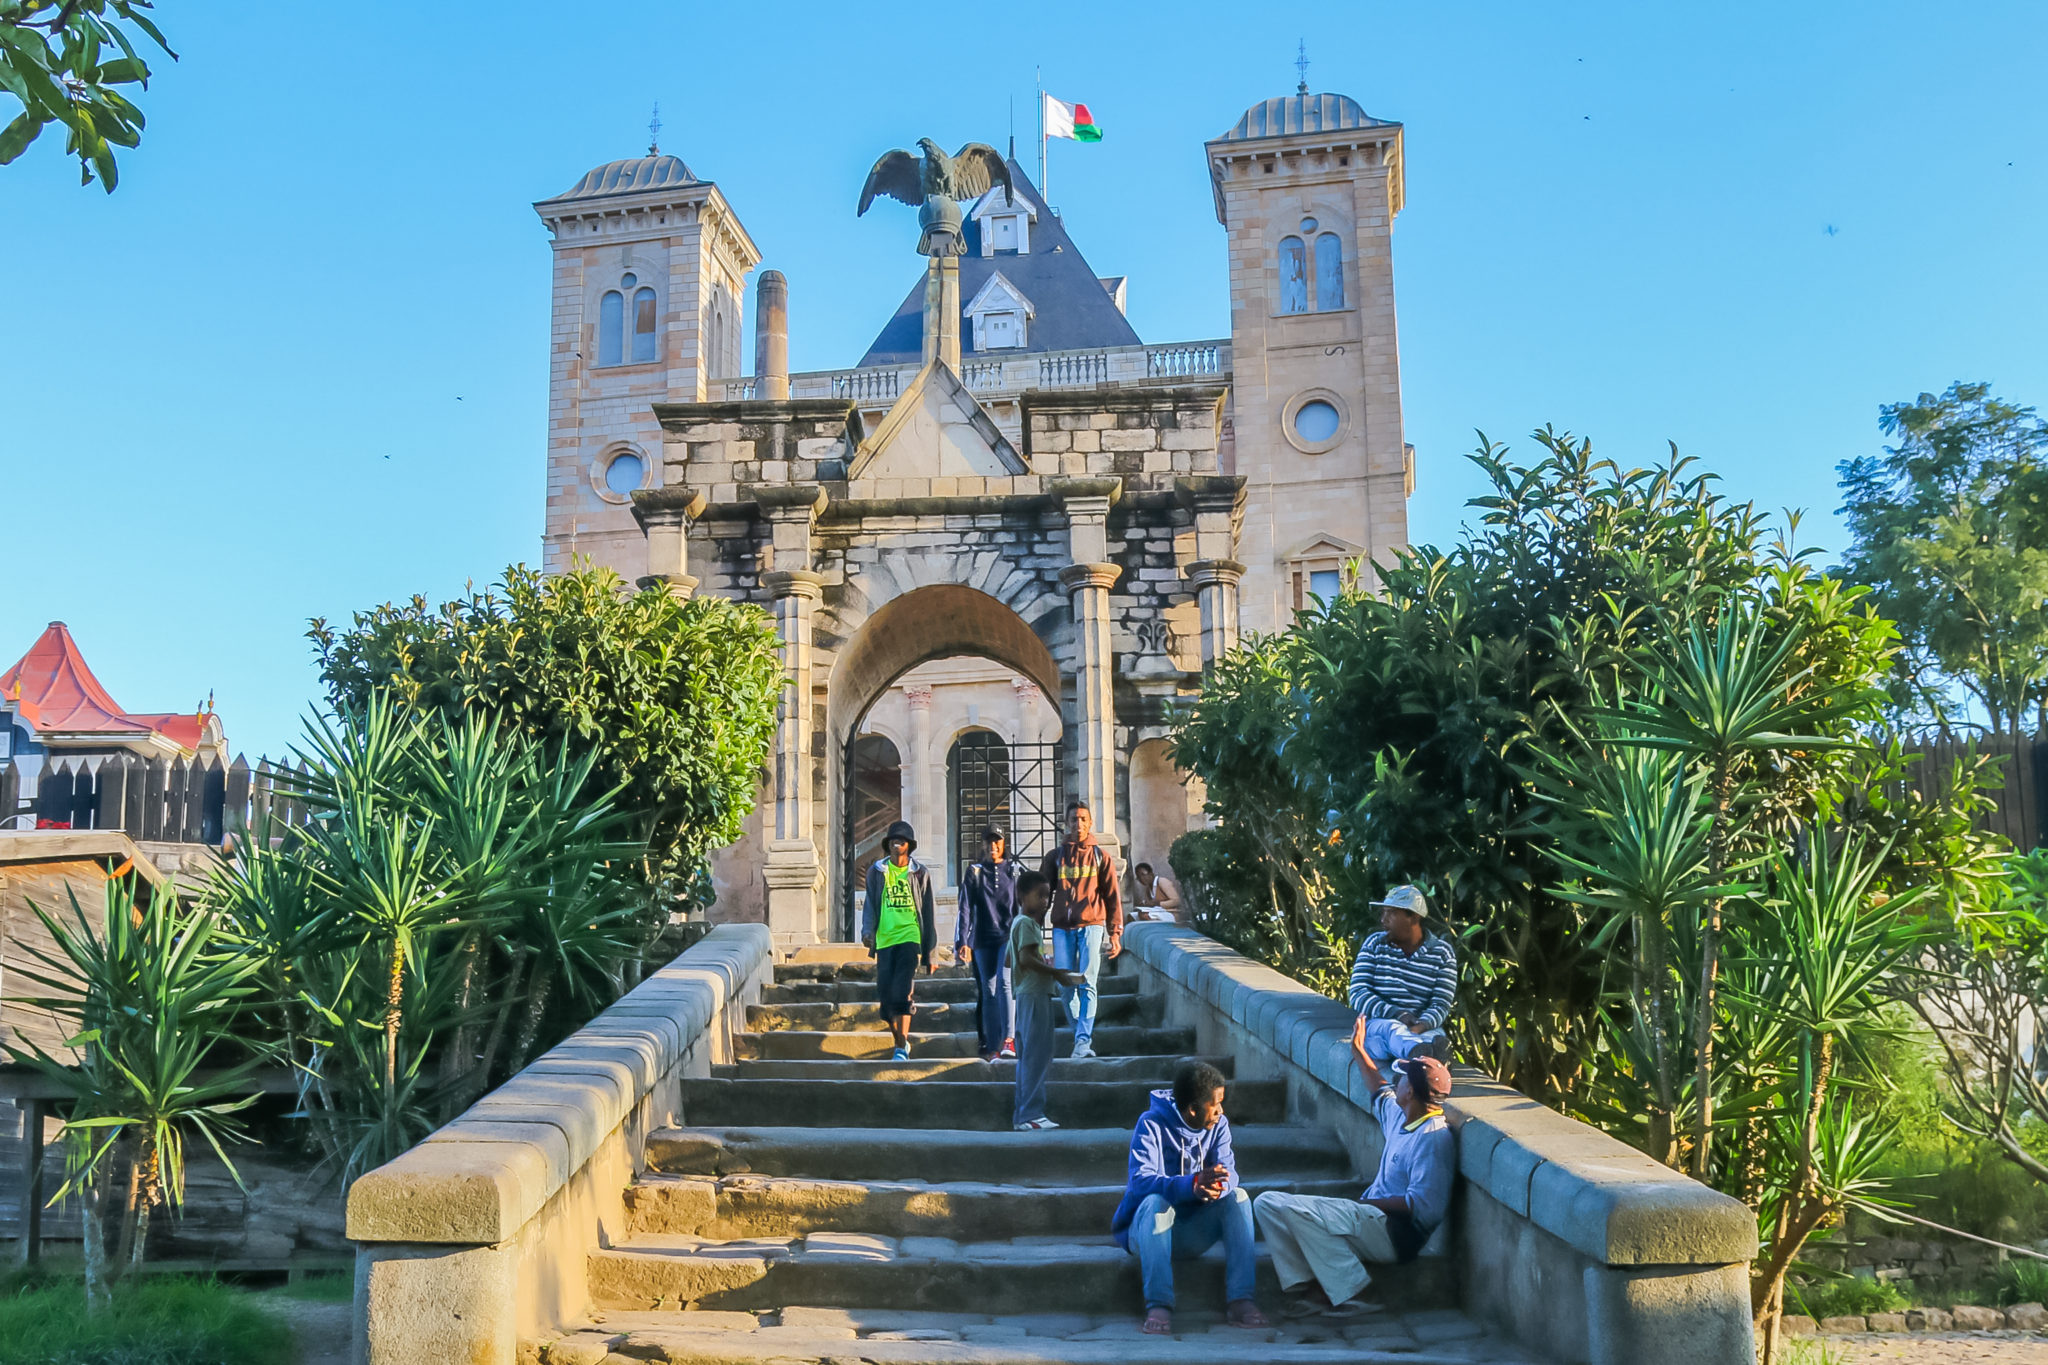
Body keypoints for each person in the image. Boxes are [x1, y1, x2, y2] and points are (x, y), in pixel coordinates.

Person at [1254, 1017, 1454, 1318]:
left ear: (1410, 1092)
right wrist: (1359, 1051)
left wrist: (1364, 1204)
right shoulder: (1403, 1116)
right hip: (1369, 1216)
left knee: (1300, 1211)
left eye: (1401, 1078)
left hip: (1395, 1232)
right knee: (1266, 1202)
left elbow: (1425, 1208)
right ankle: (1307, 1285)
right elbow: (1379, 1089)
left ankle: (1357, 1292)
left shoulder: (1434, 1138)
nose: (1395, 1082)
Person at [1111, 1061, 1269, 1335]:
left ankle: (1241, 1299)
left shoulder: (1219, 1125)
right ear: (1193, 1109)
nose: (1221, 1111)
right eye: (1215, 1104)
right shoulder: (1150, 1124)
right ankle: (1158, 1304)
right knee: (1154, 1203)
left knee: (1239, 1197)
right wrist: (1192, 1185)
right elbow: (1140, 1183)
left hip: (1192, 1232)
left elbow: (1230, 1171)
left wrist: (1219, 1187)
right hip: (1148, 1233)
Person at [1041, 800, 1122, 1060]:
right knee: (1066, 985)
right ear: (1067, 823)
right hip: (1063, 928)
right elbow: (1043, 894)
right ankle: (1080, 1035)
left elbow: (1112, 897)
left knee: (1088, 983)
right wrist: (1033, 927)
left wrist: (1115, 932)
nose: (1079, 824)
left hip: (1092, 925)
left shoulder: (1101, 857)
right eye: (1074, 819)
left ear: (1090, 823)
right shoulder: (1055, 857)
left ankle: (1083, 1040)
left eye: (1083, 819)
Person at [1346, 884, 1457, 1066]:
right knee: (1392, 1030)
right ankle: (1420, 1058)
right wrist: (1397, 1013)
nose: (1383, 920)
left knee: (1434, 1038)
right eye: (1383, 913)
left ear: (1413, 917)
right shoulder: (1375, 944)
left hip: (1423, 1027)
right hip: (1380, 1027)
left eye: (1391, 914)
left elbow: (1441, 1003)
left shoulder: (1442, 953)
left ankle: (1416, 1061)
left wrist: (1421, 1025)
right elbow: (1358, 993)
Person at [1007, 869, 1082, 1130]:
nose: (1044, 901)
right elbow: (1025, 959)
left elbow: (1011, 959)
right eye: (1038, 896)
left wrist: (1040, 962)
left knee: (1028, 1057)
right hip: (1036, 995)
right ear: (1021, 896)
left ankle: (1023, 1115)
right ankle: (1031, 1114)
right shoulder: (1027, 923)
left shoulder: (1017, 923)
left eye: (1047, 896)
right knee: (1038, 1057)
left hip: (1025, 995)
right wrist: (1056, 973)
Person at [860, 820, 936, 1063]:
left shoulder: (920, 873)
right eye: (893, 841)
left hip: (909, 937)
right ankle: (900, 1041)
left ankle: (901, 1048)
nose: (896, 844)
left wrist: (930, 952)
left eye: (901, 841)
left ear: (909, 846)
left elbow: (928, 912)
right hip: (885, 939)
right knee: (885, 1000)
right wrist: (867, 930)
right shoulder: (876, 871)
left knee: (903, 993)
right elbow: (870, 903)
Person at [956, 824, 1022, 1062]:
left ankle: (1009, 1039)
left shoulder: (1014, 870)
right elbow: (965, 907)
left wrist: (1022, 939)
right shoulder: (974, 871)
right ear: (983, 844)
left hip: (1006, 936)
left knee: (1005, 984)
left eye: (998, 841)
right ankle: (993, 1045)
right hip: (982, 938)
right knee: (988, 989)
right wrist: (962, 940)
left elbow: (1020, 907)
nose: (993, 846)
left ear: (1004, 843)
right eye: (989, 841)